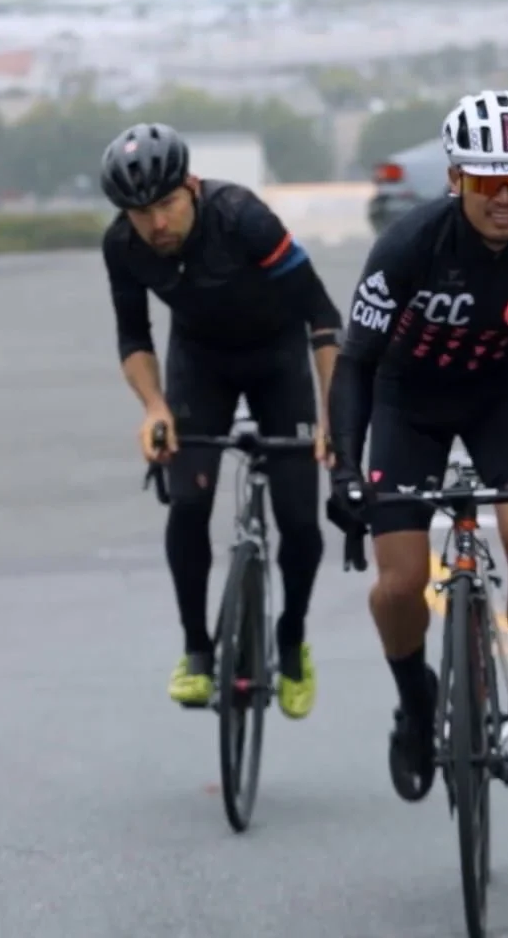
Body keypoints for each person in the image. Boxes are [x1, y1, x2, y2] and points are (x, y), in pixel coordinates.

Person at [324, 89, 508, 798]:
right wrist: (346, 470)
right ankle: (416, 706)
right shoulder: (408, 245)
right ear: (455, 177)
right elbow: (355, 363)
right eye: (487, 181)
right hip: (405, 400)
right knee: (398, 584)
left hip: (499, 395)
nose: (506, 198)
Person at [99, 122, 343, 718]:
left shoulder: (242, 218)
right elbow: (134, 337)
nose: (156, 223)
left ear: (191, 186)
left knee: (298, 519)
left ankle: (291, 640)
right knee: (188, 502)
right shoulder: (123, 245)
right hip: (200, 364)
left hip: (278, 361)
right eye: (140, 213)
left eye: (166, 205)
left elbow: (321, 315)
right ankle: (197, 651)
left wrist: (334, 415)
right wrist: (154, 406)